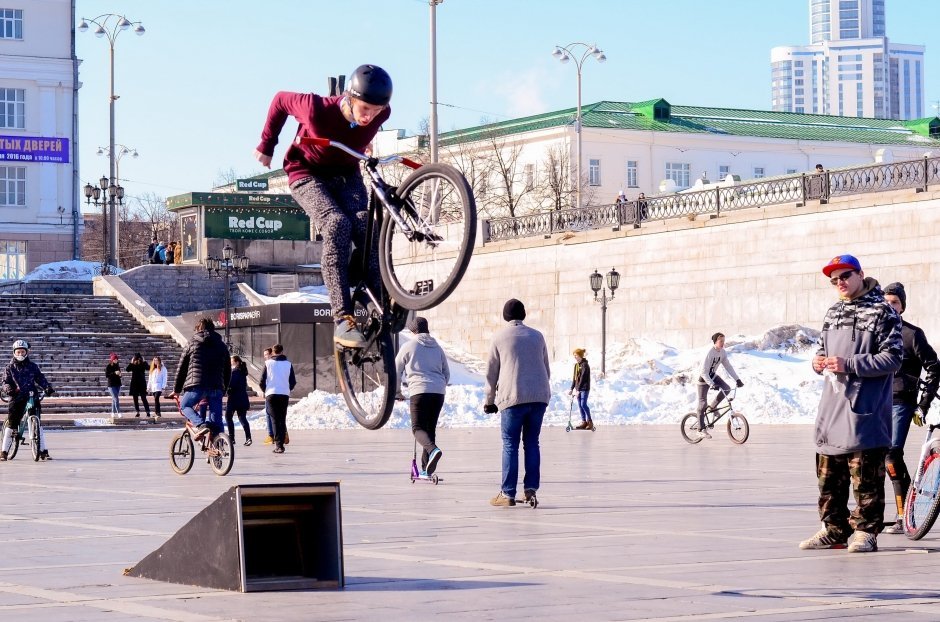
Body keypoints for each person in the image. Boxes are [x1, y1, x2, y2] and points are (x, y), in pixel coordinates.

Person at [254, 64, 394, 349]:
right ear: (350, 99)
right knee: (336, 224)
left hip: (346, 175)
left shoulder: (382, 113)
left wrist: (363, 143)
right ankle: (342, 317)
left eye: (376, 112)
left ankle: (378, 300)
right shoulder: (316, 108)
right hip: (306, 174)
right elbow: (280, 99)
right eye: (365, 109)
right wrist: (267, 144)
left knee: (368, 226)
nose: (370, 117)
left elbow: (363, 128)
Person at [800, 254, 902, 554]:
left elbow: (892, 358)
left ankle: (865, 531)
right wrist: (818, 363)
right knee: (828, 476)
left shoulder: (882, 311)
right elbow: (823, 348)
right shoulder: (833, 312)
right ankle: (833, 529)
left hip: (864, 408)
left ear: (860, 274)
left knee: (866, 479)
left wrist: (850, 363)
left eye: (844, 276)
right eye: (834, 280)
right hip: (833, 408)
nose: (840, 283)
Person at [881, 282, 940, 534]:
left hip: (901, 402)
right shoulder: (875, 334)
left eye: (894, 302)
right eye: (886, 302)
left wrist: (923, 404)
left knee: (892, 456)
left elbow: (935, 366)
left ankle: (903, 513)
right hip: (874, 403)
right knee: (872, 459)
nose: (890, 306)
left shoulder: (912, 334)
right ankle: (871, 516)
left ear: (902, 306)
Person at [484, 299, 551, 507]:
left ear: (505, 316)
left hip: (512, 397)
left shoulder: (499, 337)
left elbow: (491, 374)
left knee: (510, 444)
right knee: (532, 442)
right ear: (524, 314)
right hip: (538, 397)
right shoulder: (538, 336)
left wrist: (489, 401)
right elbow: (547, 370)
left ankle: (507, 493)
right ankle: (530, 491)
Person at [395, 316, 450, 476]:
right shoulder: (438, 348)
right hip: (438, 392)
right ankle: (426, 469)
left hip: (419, 391)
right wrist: (438, 385)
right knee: (429, 429)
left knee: (417, 428)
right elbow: (446, 373)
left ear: (413, 331)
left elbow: (396, 369)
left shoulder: (409, 346)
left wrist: (397, 392)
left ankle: (433, 450)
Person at [173, 317, 231, 439]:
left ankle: (200, 424)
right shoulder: (222, 345)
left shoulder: (192, 343)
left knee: (185, 406)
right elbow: (227, 370)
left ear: (198, 328)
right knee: (217, 421)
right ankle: (219, 449)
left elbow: (182, 368)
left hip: (196, 386)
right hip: (216, 386)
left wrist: (177, 389)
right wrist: (223, 389)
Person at [1, 339, 54, 461]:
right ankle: (4, 451)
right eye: (18, 352)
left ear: (27, 353)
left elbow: (40, 378)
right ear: (14, 352)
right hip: (16, 397)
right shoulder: (9, 368)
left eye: (23, 352)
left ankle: (43, 450)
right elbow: (5, 382)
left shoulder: (32, 366)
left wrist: (47, 387)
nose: (20, 354)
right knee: (12, 423)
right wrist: (9, 389)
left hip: (32, 395)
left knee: (38, 423)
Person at [695, 332, 743, 440]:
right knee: (702, 403)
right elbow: (703, 372)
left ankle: (712, 407)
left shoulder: (723, 353)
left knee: (727, 388)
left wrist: (737, 379)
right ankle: (700, 429)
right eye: (721, 341)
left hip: (713, 376)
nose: (722, 343)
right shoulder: (709, 352)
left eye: (723, 341)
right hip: (703, 379)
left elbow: (728, 367)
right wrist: (711, 384)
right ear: (715, 342)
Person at [260, 344, 296, 454]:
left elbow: (261, 381)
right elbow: (293, 381)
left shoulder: (268, 363)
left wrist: (266, 391)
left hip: (271, 394)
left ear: (273, 352)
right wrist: (287, 389)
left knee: (274, 420)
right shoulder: (288, 364)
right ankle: (281, 442)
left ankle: (279, 445)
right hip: (284, 394)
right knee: (282, 418)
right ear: (282, 351)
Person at [225, 355, 253, 447]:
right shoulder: (242, 372)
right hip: (242, 398)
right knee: (242, 418)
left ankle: (232, 438)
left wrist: (227, 390)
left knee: (228, 417)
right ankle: (248, 437)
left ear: (236, 362)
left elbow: (231, 385)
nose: (230, 362)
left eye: (232, 361)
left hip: (233, 398)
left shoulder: (235, 372)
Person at [569, 348, 593, 429]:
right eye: (574, 356)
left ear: (580, 355)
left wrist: (578, 390)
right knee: (580, 405)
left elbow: (583, 378)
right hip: (578, 388)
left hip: (584, 388)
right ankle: (584, 422)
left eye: (576, 355)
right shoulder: (576, 365)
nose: (575, 357)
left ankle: (590, 422)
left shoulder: (585, 365)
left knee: (583, 404)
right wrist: (571, 388)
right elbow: (574, 378)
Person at [125, 353, 151, 418]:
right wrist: (144, 361)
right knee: (142, 399)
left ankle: (140, 412)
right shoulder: (137, 364)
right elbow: (127, 369)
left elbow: (148, 368)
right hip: (139, 383)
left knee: (139, 399)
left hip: (137, 383)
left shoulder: (138, 364)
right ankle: (146, 412)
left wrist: (131, 362)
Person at [105, 353, 122, 418]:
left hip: (117, 384)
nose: (116, 360)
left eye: (116, 359)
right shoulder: (109, 366)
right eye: (114, 359)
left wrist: (120, 375)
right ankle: (119, 412)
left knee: (114, 399)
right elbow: (107, 375)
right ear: (112, 360)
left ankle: (112, 412)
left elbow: (120, 374)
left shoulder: (117, 366)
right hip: (111, 385)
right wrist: (114, 373)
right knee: (116, 398)